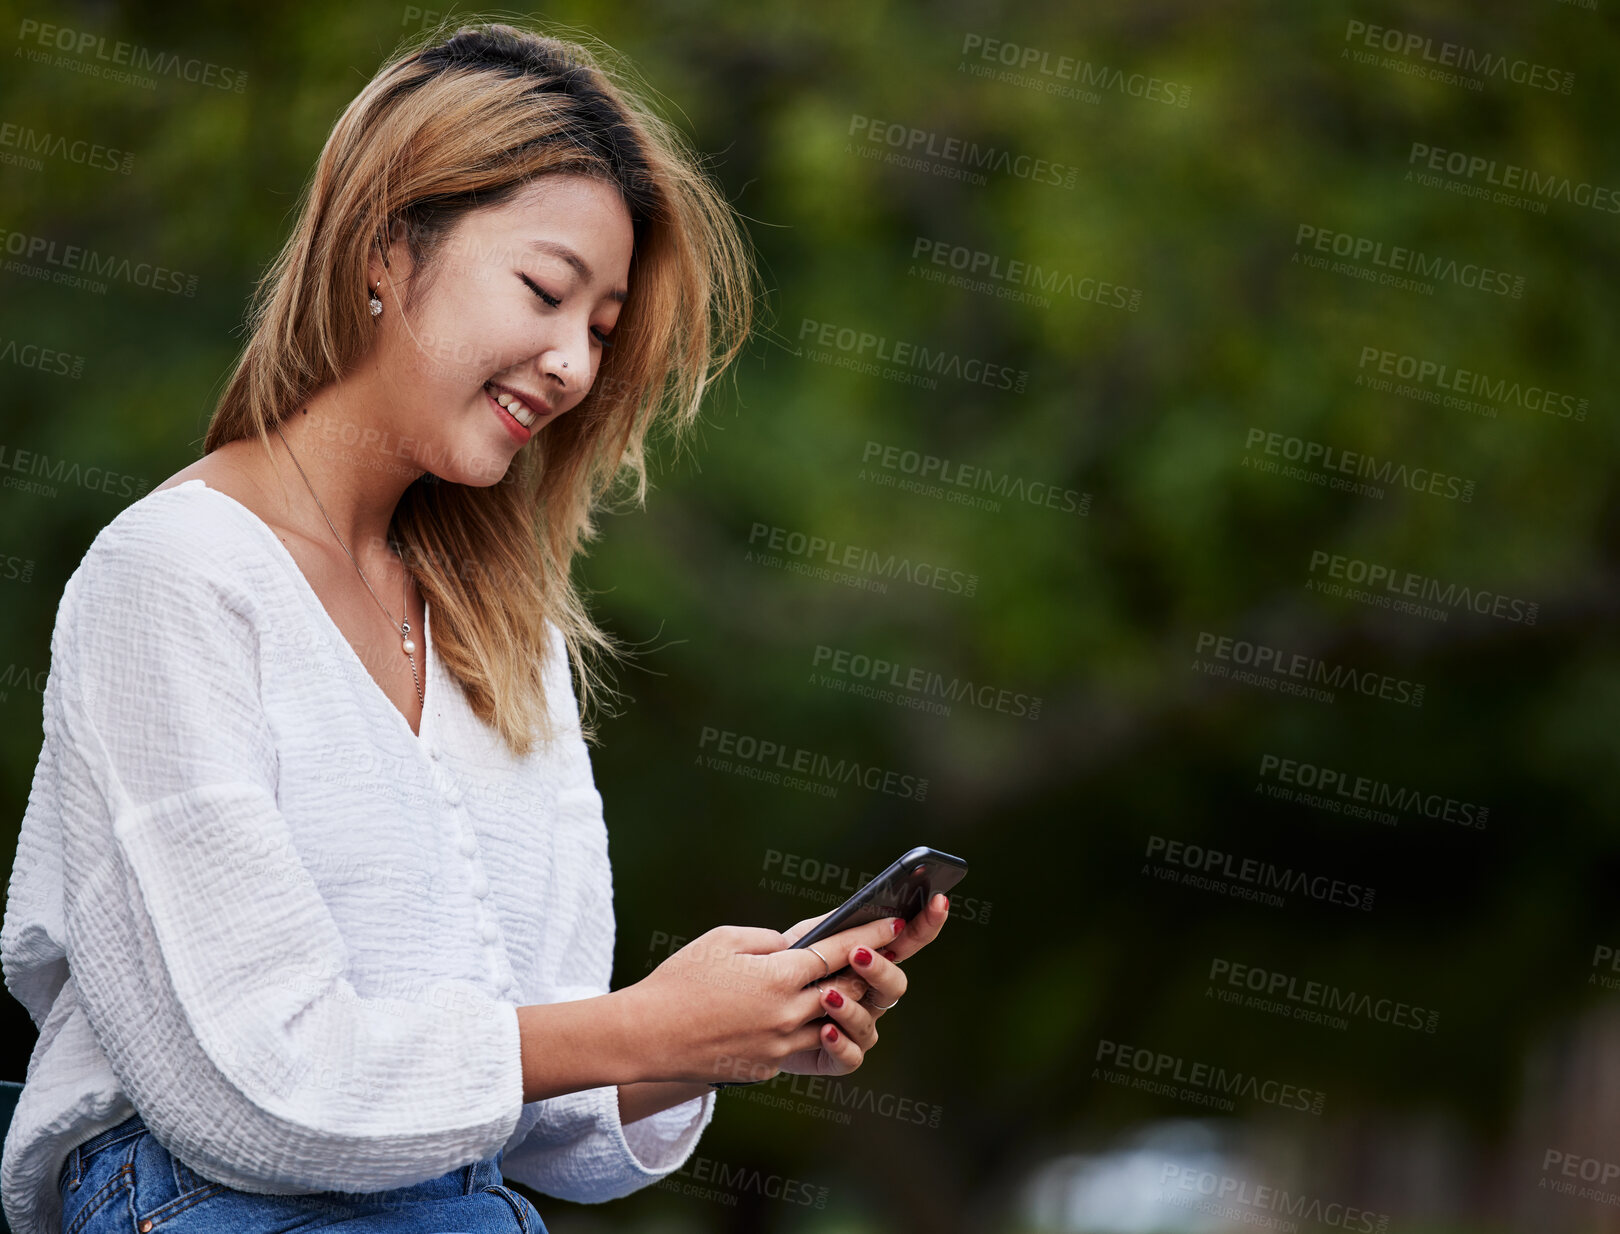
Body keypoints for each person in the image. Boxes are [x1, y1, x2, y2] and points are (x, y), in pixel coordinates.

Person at [0, 19, 949, 1234]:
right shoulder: (173, 578)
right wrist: (644, 1022)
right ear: (388, 244)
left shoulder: (506, 634)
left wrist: (725, 1029)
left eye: (602, 329)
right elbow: (250, 1088)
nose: (571, 364)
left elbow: (540, 1108)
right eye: (546, 292)